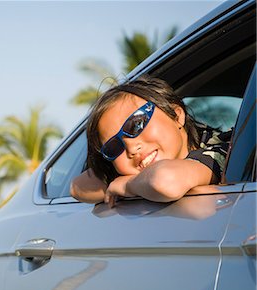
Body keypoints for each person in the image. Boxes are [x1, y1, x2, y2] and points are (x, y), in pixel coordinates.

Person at [70, 75, 231, 206]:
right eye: (113, 146)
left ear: (176, 115)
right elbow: (77, 187)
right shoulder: (128, 169)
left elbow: (166, 181)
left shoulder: (226, 148)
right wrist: (119, 180)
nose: (131, 148)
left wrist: (127, 185)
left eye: (136, 124)